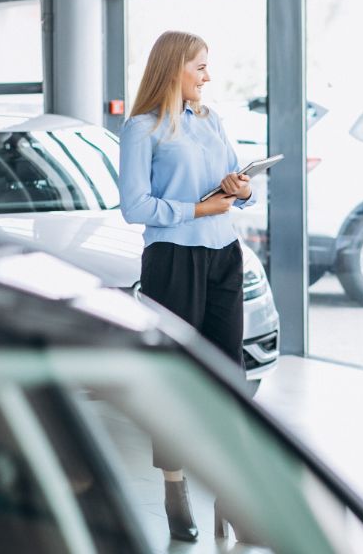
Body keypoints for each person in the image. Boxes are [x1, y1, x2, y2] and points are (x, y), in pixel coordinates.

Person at [119, 30, 255, 542]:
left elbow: (233, 185)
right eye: (200, 67)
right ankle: (175, 488)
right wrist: (197, 208)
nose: (207, 76)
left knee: (228, 376)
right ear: (174, 67)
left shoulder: (212, 120)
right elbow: (135, 207)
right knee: (176, 379)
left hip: (224, 254)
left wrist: (241, 190)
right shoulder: (142, 129)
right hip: (172, 260)